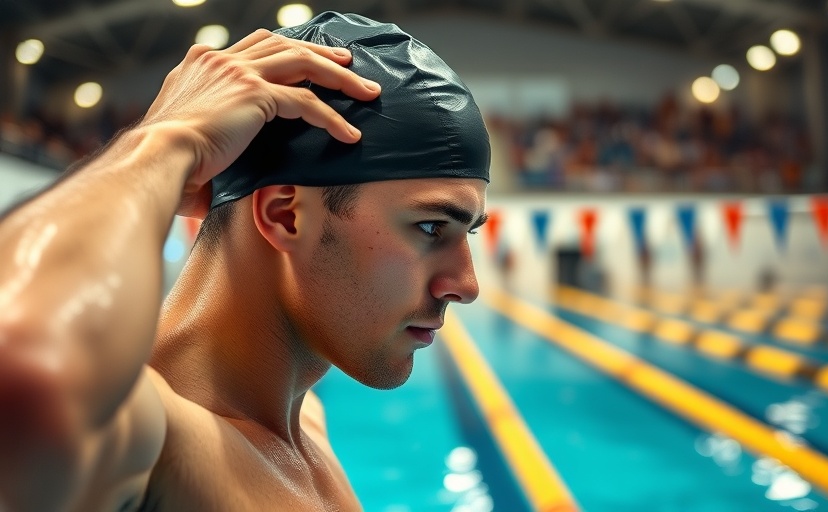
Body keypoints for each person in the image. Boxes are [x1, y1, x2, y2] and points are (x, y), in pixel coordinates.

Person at [0, 11, 490, 512]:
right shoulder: (150, 442)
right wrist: (167, 139)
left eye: (467, 232)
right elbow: (20, 362)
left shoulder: (306, 427)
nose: (466, 284)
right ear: (285, 216)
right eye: (431, 227)